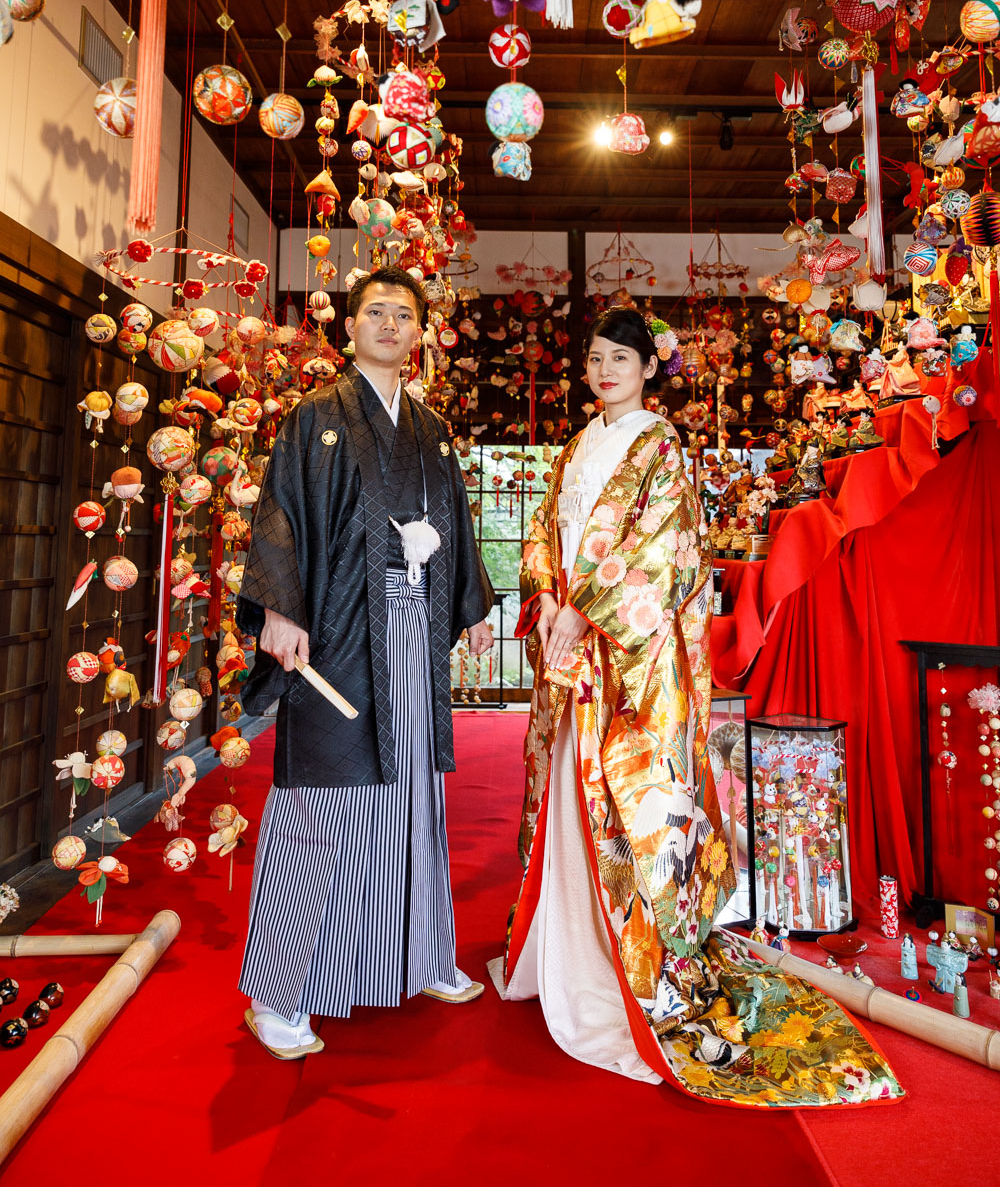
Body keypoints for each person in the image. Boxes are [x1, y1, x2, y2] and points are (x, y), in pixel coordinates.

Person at [493, 306, 903, 1108]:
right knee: (567, 805)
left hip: (627, 660)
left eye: (621, 359)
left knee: (625, 804)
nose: (604, 370)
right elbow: (545, 529)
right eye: (595, 359)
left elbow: (665, 551)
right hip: (570, 643)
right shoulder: (577, 446)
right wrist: (544, 596)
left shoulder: (662, 446)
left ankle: (628, 965)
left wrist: (586, 611)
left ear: (649, 369)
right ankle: (564, 949)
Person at [236, 266, 495, 1060]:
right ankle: (279, 993)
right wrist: (280, 608)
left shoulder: (429, 427)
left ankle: (418, 955)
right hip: (343, 630)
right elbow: (281, 508)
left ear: (419, 334)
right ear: (349, 328)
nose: (390, 324)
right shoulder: (315, 417)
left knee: (414, 788)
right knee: (324, 800)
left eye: (404, 315)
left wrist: (473, 606)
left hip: (413, 626)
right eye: (375, 312)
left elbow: (450, 516)